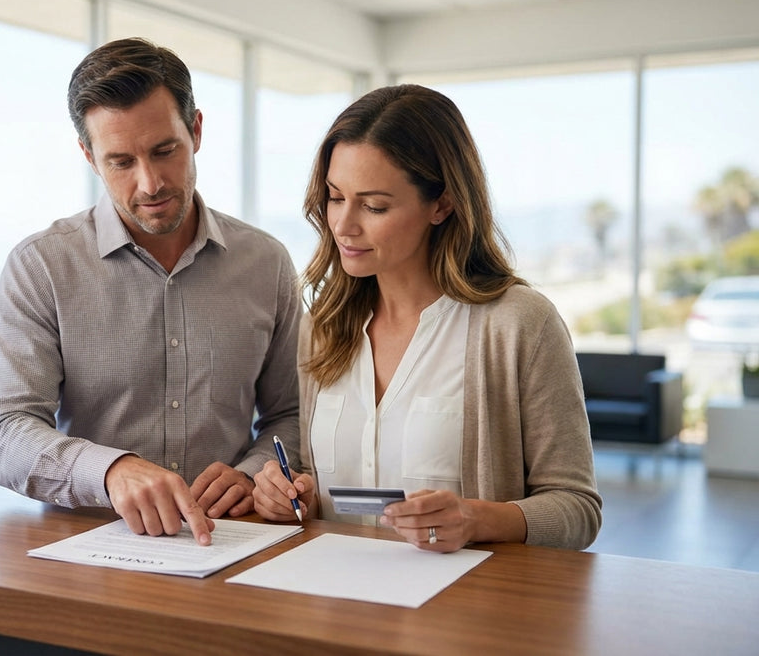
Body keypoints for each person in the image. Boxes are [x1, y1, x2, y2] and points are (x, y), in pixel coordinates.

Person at [252, 84, 602, 551]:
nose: (343, 225)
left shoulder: (519, 325)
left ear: (442, 204)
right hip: (334, 606)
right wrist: (291, 495)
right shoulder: (323, 326)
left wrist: (478, 520)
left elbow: (576, 508)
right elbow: (316, 484)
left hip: (461, 614)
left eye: (375, 206)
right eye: (336, 197)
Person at [0, 37, 301, 546]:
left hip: (230, 542)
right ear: (89, 156)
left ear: (195, 130)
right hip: (88, 551)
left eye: (164, 151)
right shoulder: (41, 265)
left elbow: (293, 412)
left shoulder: (267, 263)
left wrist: (255, 470)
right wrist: (110, 471)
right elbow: (6, 432)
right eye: (121, 162)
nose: (149, 183)